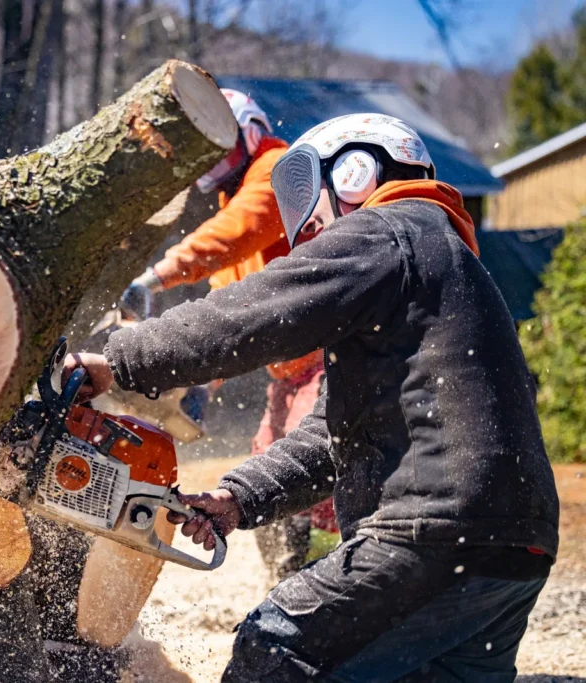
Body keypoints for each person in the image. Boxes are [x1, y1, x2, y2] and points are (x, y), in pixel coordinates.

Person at [65, 113, 559, 681]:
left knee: (273, 647)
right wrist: (238, 498)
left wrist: (120, 360)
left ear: (353, 174)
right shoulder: (447, 270)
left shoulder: (391, 231)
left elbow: (254, 314)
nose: (305, 213)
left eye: (306, 187)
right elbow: (335, 433)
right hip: (512, 555)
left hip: (432, 535)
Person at [120, 89, 335, 581]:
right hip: (289, 372)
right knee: (265, 471)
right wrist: (201, 383)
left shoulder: (282, 171)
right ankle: (284, 584)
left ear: (249, 131)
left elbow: (236, 231)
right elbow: (227, 308)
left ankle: (338, 583)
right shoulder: (233, 196)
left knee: (318, 479)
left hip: (329, 361)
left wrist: (157, 277)